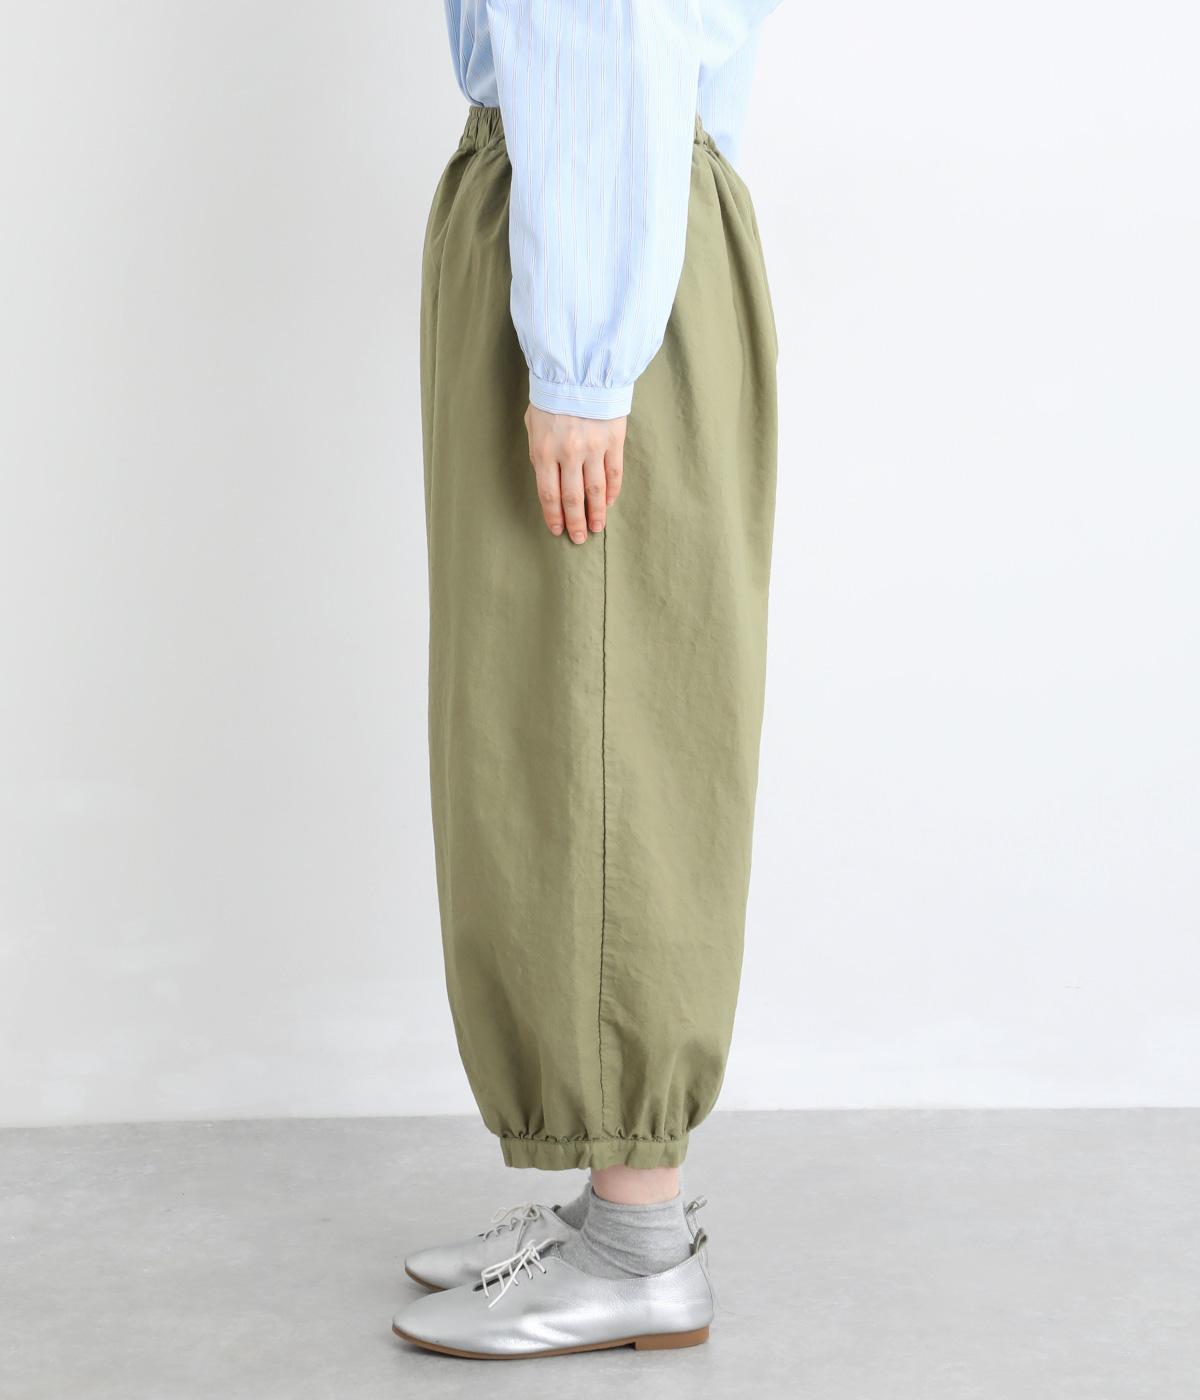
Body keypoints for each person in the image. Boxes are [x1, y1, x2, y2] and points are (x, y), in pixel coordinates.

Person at [392, 0, 782, 1360]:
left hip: (599, 235)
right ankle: (609, 1202)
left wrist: (582, 358)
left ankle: (637, 1243)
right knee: (545, 720)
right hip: (577, 208)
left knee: (603, 733)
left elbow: (611, 27)